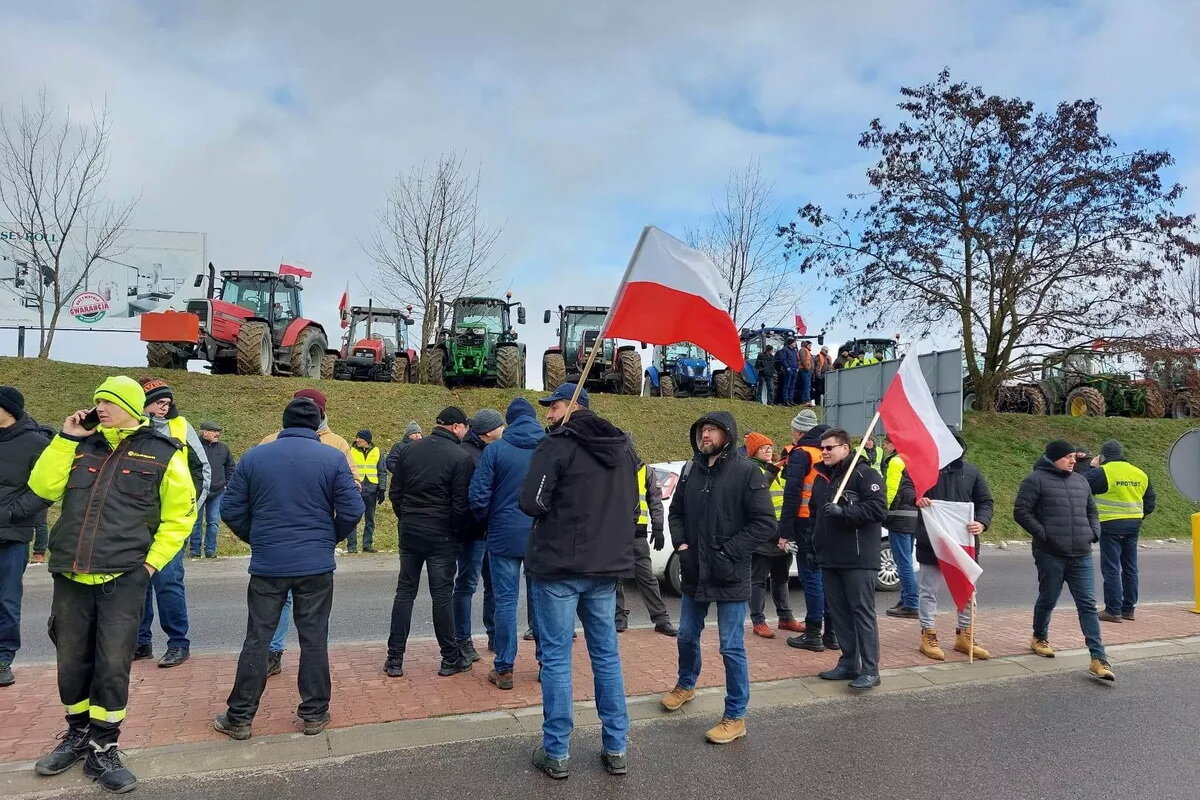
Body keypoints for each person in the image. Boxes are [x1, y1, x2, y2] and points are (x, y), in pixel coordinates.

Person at [29, 376, 196, 793]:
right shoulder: (78, 444)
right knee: (71, 660)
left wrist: (150, 567)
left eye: (109, 401)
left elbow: (180, 517)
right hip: (70, 573)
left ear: (131, 406)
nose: (99, 407)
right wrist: (66, 438)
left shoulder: (164, 451)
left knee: (112, 663)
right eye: (97, 400)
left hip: (124, 576)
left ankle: (105, 745)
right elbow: (41, 488)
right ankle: (78, 733)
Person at [214, 397, 364, 741]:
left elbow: (231, 508)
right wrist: (329, 538)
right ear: (318, 424)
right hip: (316, 563)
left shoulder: (255, 456)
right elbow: (353, 509)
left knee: (258, 638)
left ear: (283, 423)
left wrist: (257, 537)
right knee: (314, 639)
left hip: (269, 564)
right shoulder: (332, 457)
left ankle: (239, 716)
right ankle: (313, 713)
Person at [519, 384, 636, 779]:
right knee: (606, 656)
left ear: (573, 407)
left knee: (555, 658)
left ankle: (556, 751)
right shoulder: (622, 447)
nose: (548, 415)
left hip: (559, 568)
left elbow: (530, 502)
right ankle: (616, 746)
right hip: (605, 568)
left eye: (553, 407)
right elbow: (631, 506)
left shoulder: (557, 445)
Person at [659, 412, 775, 744]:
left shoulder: (747, 471)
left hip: (731, 573)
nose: (705, 435)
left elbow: (764, 523)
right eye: (702, 430)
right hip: (695, 569)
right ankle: (686, 684)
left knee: (731, 647)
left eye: (711, 430)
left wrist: (728, 553)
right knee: (685, 636)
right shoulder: (691, 470)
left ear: (727, 434)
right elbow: (676, 512)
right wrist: (682, 544)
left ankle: (736, 716)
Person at [263, 389, 358, 674]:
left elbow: (352, 487)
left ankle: (310, 664)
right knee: (285, 603)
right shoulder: (269, 442)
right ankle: (273, 652)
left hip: (311, 537)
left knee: (310, 611)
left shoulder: (337, 444)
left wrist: (331, 532)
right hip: (285, 537)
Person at [1013, 440, 1114, 681]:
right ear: (1053, 458)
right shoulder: (1035, 480)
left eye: (1073, 457)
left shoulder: (1080, 481)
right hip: (1050, 552)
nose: (1072, 461)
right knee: (1048, 598)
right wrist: (1044, 534)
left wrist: (1093, 532)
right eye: (1067, 457)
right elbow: (1021, 511)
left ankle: (1098, 658)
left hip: (1081, 553)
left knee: (1087, 605)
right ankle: (1039, 637)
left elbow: (1092, 511)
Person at [385, 407, 475, 678]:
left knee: (405, 592)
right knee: (441, 596)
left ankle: (394, 659)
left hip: (410, 528)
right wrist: (455, 532)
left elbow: (395, 493)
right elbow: (461, 505)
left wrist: (407, 518)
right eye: (464, 428)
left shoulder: (409, 450)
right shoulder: (461, 457)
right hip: (442, 533)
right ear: (456, 427)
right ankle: (450, 658)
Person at [469, 398, 544, 690]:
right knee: (541, 601)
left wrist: (489, 521)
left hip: (502, 536)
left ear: (509, 422)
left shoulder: (496, 450)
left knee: (504, 602)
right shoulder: (548, 448)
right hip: (540, 536)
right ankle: (544, 665)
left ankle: (504, 668)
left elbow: (478, 496)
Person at [136, 377, 210, 669]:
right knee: (136, 584)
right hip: (135, 523)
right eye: (157, 402)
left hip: (169, 522)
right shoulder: (130, 430)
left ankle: (178, 643)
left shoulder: (181, 427)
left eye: (167, 403)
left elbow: (202, 471)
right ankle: (140, 642)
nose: (164, 408)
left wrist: (188, 514)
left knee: (168, 584)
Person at [900, 435, 994, 661]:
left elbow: (985, 501)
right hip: (932, 539)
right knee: (929, 590)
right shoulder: (922, 468)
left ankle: (965, 635)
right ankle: (928, 634)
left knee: (966, 590)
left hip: (963, 541)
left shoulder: (971, 472)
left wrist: (982, 522)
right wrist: (917, 497)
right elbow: (906, 489)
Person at [810, 428, 887, 691]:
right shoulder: (823, 477)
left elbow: (878, 508)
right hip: (829, 557)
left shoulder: (865, 473)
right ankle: (848, 662)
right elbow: (814, 514)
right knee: (839, 613)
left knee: (861, 613)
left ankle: (870, 668)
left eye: (830, 447)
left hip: (858, 557)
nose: (824, 452)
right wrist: (814, 543)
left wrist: (846, 511)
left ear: (845, 448)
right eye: (822, 448)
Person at [0, 386, 53, 687]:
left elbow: (45, 491)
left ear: (8, 410)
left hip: (12, 536)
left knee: (6, 600)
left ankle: (3, 658)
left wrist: (10, 513)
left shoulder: (35, 443)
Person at [779, 410, 838, 652]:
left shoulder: (801, 453)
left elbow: (792, 493)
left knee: (811, 577)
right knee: (827, 578)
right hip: (828, 521)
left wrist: (785, 531)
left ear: (799, 432)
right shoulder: (828, 450)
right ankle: (831, 634)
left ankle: (813, 632)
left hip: (804, 522)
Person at [1086, 439, 1156, 623]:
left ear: (1103, 456)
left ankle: (1113, 610)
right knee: (1130, 568)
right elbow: (1150, 503)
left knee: (1111, 568)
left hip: (1109, 524)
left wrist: (1092, 467)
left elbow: (1082, 486)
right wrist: (1137, 517)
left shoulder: (1103, 472)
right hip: (1133, 524)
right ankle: (1128, 609)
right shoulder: (1140, 473)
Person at [615, 435, 677, 637]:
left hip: (637, 533)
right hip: (614, 532)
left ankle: (661, 619)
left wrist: (658, 528)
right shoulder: (611, 468)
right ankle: (619, 617)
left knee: (647, 578)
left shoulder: (645, 470)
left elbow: (655, 501)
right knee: (614, 578)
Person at [455, 409, 503, 664]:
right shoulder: (465, 454)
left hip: (490, 530)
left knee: (493, 585)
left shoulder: (492, 450)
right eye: (500, 425)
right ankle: (462, 639)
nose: (504, 428)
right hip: (473, 532)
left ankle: (494, 635)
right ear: (487, 431)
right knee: (466, 585)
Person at [743, 432, 801, 639]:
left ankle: (785, 618)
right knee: (758, 579)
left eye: (769, 446)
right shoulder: (750, 469)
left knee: (781, 578)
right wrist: (775, 469)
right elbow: (757, 491)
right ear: (753, 451)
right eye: (762, 447)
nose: (768, 449)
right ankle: (758, 621)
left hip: (782, 531)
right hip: (762, 533)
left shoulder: (777, 469)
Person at [881, 435, 919, 619]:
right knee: (907, 561)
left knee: (902, 563)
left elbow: (891, 490)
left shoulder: (896, 461)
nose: (885, 447)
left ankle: (911, 602)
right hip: (913, 517)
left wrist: (882, 511)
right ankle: (905, 599)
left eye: (886, 443)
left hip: (899, 518)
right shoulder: (913, 460)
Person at [191, 421, 235, 558]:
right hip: (198, 491)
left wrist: (227, 485)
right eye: (214, 431)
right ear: (204, 432)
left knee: (213, 522)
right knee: (195, 522)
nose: (217, 434)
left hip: (218, 491)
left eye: (218, 431)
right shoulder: (194, 448)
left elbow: (230, 468)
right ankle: (195, 550)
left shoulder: (223, 449)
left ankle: (210, 550)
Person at [348, 429, 387, 554]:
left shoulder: (377, 451)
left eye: (361, 438)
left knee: (370, 519)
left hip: (371, 490)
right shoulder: (350, 451)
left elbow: (382, 471)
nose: (357, 440)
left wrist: (382, 488)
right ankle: (352, 546)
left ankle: (367, 544)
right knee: (353, 519)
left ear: (367, 441)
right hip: (355, 489)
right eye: (357, 437)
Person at [776, 339, 800, 406]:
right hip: (789, 369)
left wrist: (797, 367)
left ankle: (790, 399)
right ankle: (785, 400)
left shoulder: (794, 351)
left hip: (795, 369)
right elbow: (783, 359)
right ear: (790, 343)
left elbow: (796, 359)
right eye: (794, 342)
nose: (795, 344)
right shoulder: (785, 350)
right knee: (787, 385)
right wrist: (787, 367)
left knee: (792, 386)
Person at [798, 341, 815, 405]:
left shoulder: (807, 351)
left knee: (807, 386)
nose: (810, 346)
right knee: (806, 385)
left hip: (807, 370)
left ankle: (806, 400)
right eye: (809, 345)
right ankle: (806, 400)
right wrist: (808, 368)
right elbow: (803, 360)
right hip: (804, 370)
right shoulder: (803, 350)